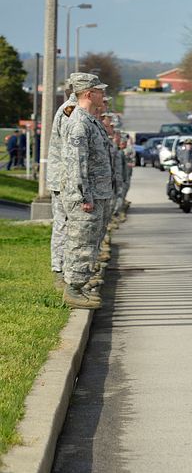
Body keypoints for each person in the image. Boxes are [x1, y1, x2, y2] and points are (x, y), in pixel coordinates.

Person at [59, 73, 112, 309]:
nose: (103, 95)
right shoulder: (79, 123)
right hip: (85, 196)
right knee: (80, 242)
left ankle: (80, 286)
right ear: (89, 94)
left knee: (89, 241)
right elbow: (76, 164)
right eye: (100, 91)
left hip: (96, 193)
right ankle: (73, 289)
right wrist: (84, 196)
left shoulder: (89, 120)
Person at [49, 77, 83, 291]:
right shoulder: (69, 110)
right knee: (62, 226)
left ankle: (67, 270)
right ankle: (59, 271)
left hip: (66, 178)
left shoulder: (76, 109)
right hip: (62, 179)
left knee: (69, 226)